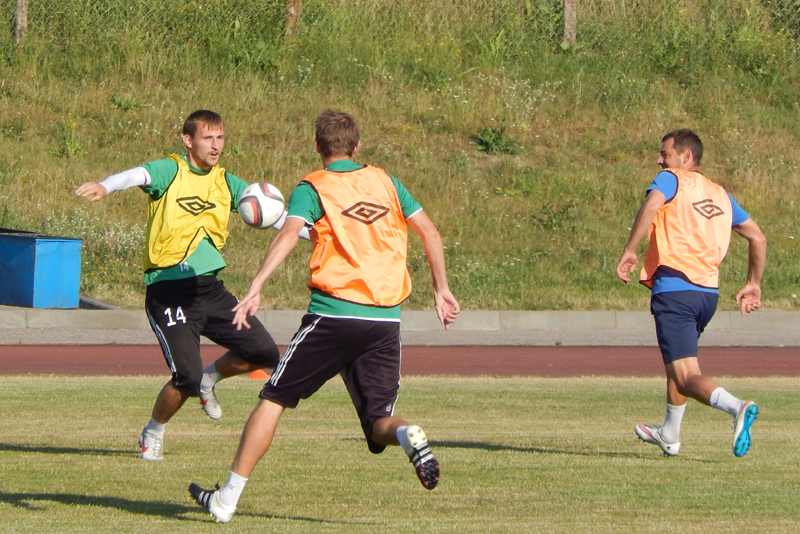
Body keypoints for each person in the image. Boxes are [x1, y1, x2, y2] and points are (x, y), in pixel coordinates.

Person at [188, 109, 460, 523]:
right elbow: (431, 232)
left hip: (334, 317)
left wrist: (256, 285)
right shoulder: (387, 181)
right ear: (358, 146)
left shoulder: (314, 186)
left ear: (317, 145)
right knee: (379, 424)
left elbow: (287, 233)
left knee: (273, 399)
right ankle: (407, 434)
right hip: (385, 321)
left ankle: (226, 500)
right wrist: (441, 289)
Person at [75, 110, 305, 461]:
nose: (216, 146)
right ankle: (153, 431)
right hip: (170, 292)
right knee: (186, 376)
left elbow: (277, 217)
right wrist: (106, 185)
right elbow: (137, 175)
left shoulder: (226, 182)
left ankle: (210, 380)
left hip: (210, 291)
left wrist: (322, 236)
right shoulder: (171, 170)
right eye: (208, 138)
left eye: (220, 138)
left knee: (265, 353)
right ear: (188, 140)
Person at [616, 129, 767, 458]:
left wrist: (629, 249)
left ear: (685, 157)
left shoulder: (672, 179)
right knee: (677, 364)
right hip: (706, 295)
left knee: (686, 376)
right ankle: (669, 434)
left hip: (675, 289)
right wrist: (753, 283)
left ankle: (737, 407)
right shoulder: (720, 194)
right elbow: (758, 237)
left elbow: (652, 204)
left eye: (665, 153)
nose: (659, 160)